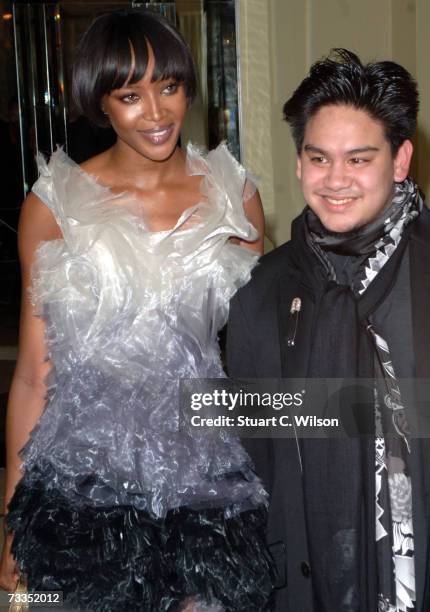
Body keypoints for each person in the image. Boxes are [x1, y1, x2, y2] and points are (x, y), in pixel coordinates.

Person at [0, 9, 274, 611]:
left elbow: (263, 353)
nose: (156, 113)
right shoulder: (55, 206)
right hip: (82, 489)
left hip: (206, 484)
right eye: (130, 94)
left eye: (169, 87)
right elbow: (31, 374)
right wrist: (10, 528)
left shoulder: (235, 197)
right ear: (101, 103)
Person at [227, 49, 430, 612]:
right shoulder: (259, 291)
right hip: (299, 582)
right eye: (318, 158)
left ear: (399, 159)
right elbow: (248, 450)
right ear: (298, 163)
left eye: (358, 159)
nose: (335, 180)